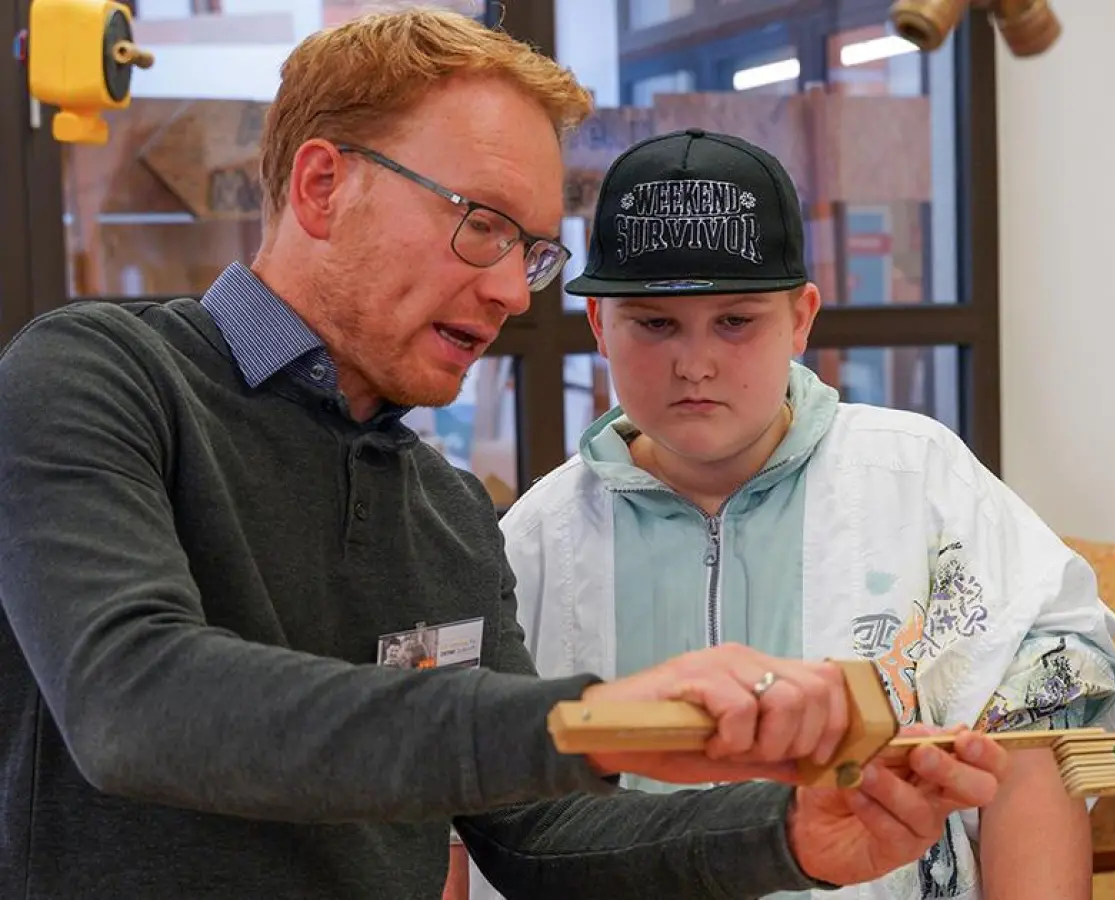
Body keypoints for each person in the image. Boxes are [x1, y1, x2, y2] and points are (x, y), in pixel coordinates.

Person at [0, 10, 1013, 900]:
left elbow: (532, 836)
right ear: (322, 185)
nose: (511, 294)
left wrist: (787, 839)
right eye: (480, 226)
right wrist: (586, 718)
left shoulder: (443, 508)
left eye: (532, 250)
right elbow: (135, 703)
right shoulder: (99, 381)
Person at [497, 128, 1115, 900]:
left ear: (801, 318)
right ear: (598, 327)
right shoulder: (536, 541)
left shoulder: (919, 481)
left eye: (736, 322)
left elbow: (1040, 725)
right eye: (654, 323)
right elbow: (473, 804)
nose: (694, 363)